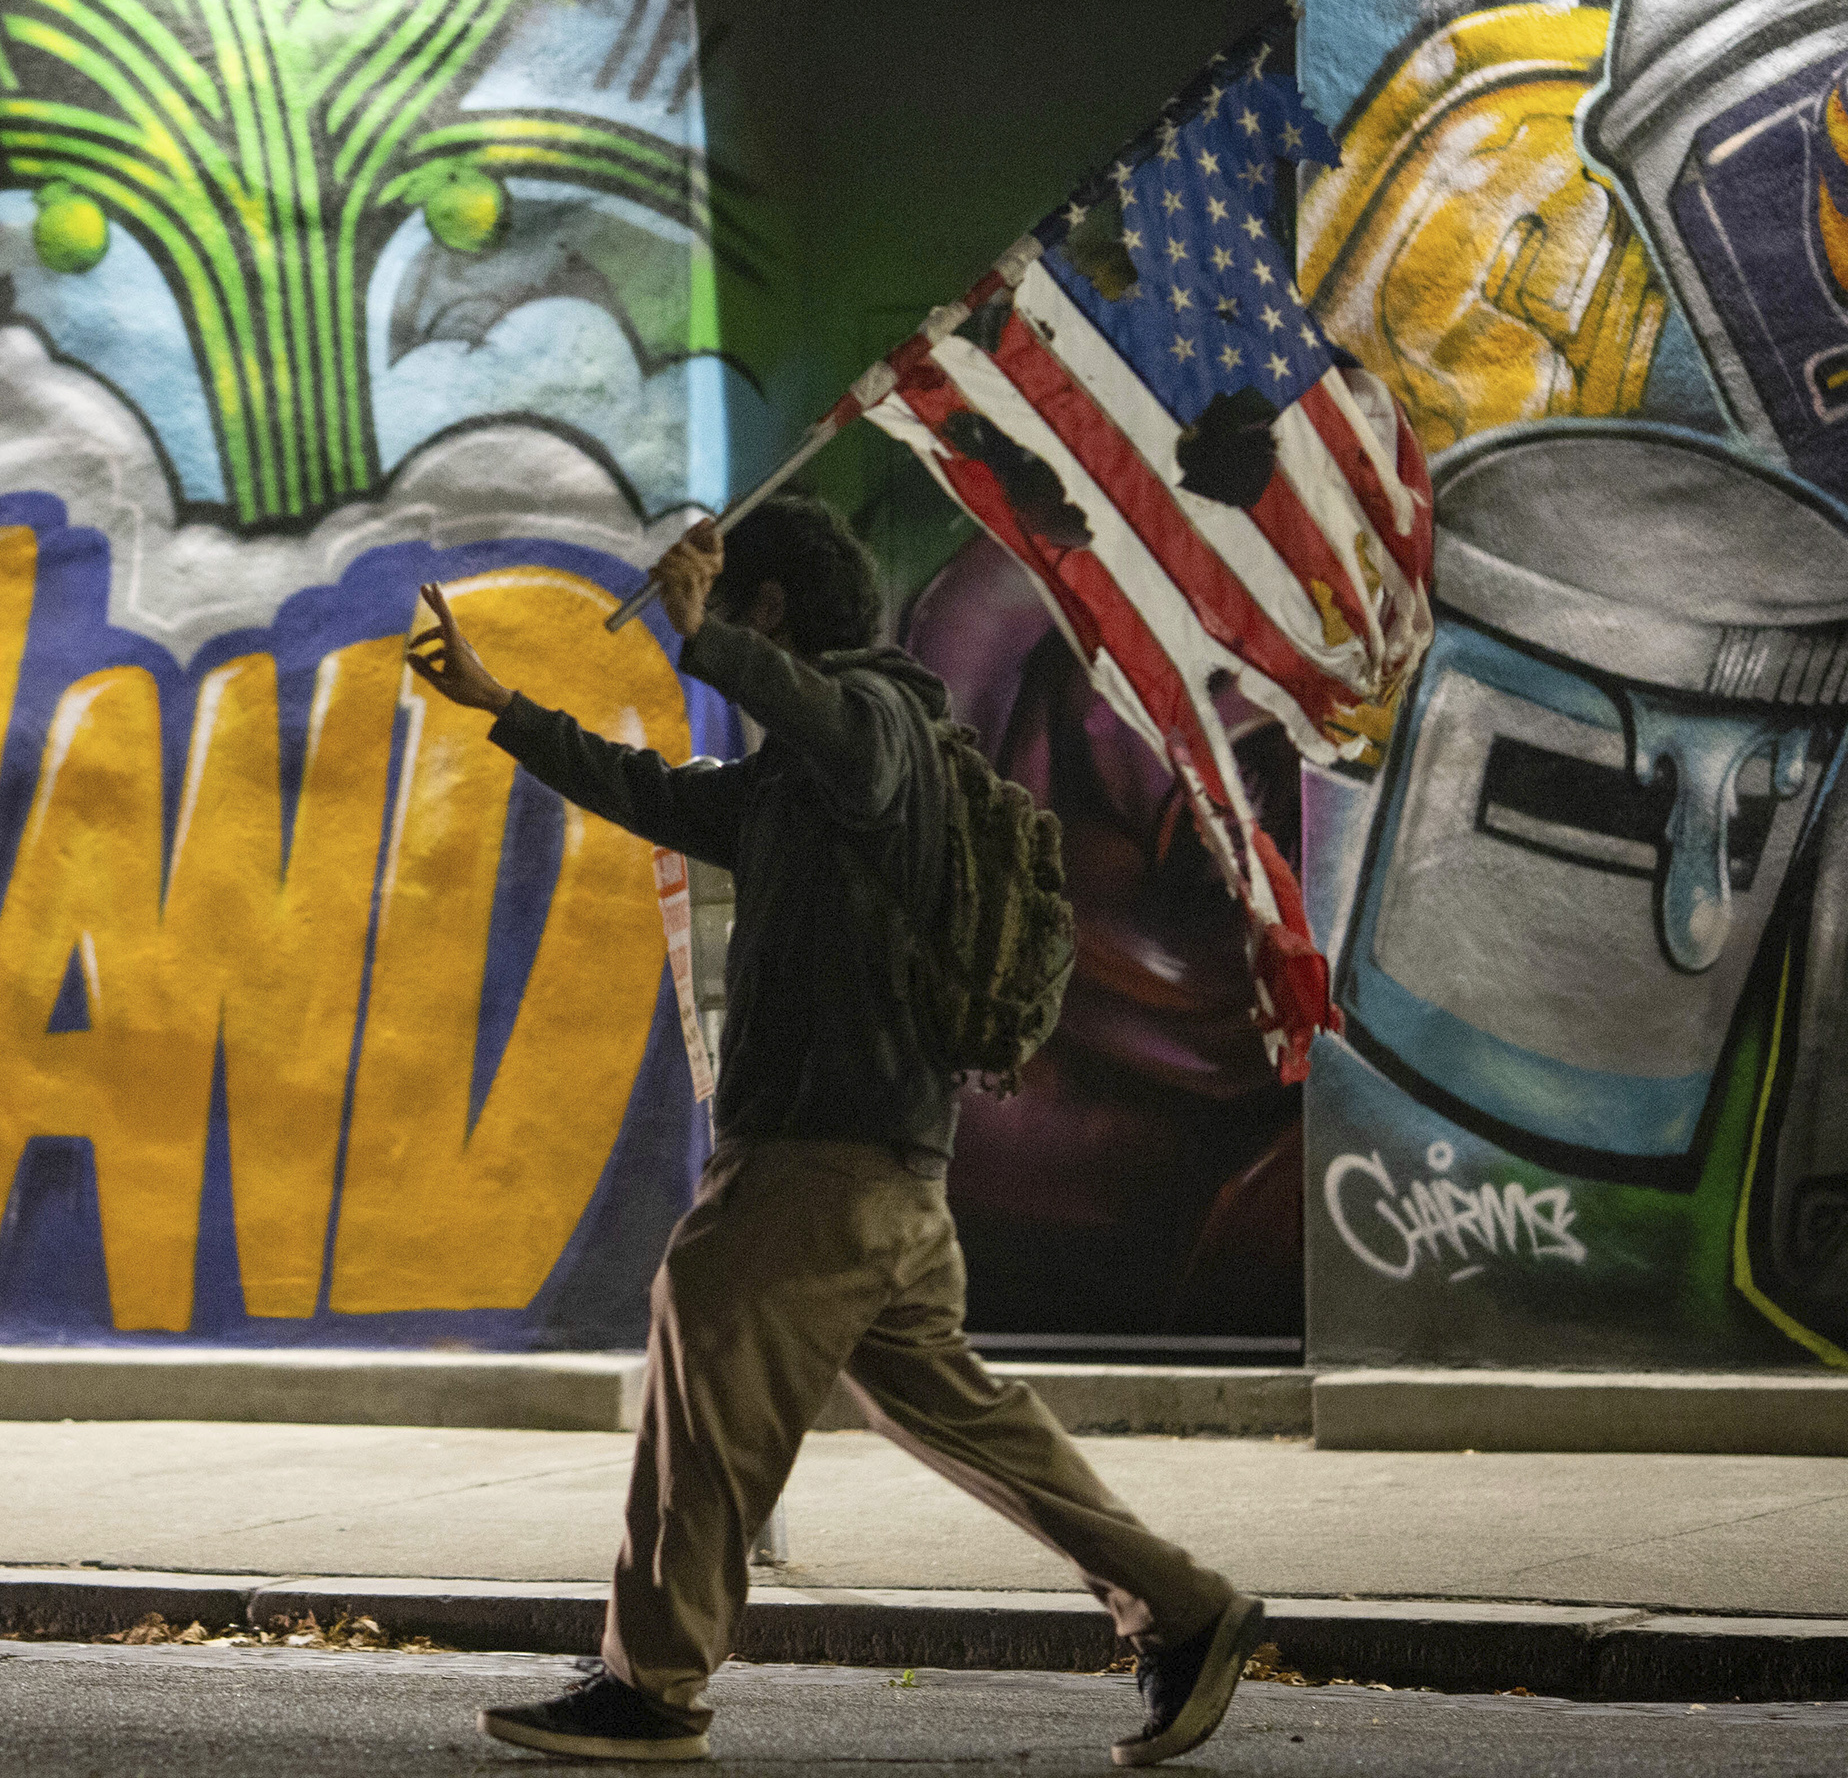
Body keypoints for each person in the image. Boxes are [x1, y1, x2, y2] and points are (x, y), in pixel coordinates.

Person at [401, 498, 1262, 1768]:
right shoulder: (807, 776)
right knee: (964, 1415)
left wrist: (704, 637)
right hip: (884, 1183)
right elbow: (652, 791)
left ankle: (654, 1685)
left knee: (701, 1349)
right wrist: (500, 701)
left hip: (817, 1158)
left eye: (729, 601)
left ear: (771, 609)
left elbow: (845, 734)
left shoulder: (879, 724)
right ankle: (1186, 1608)